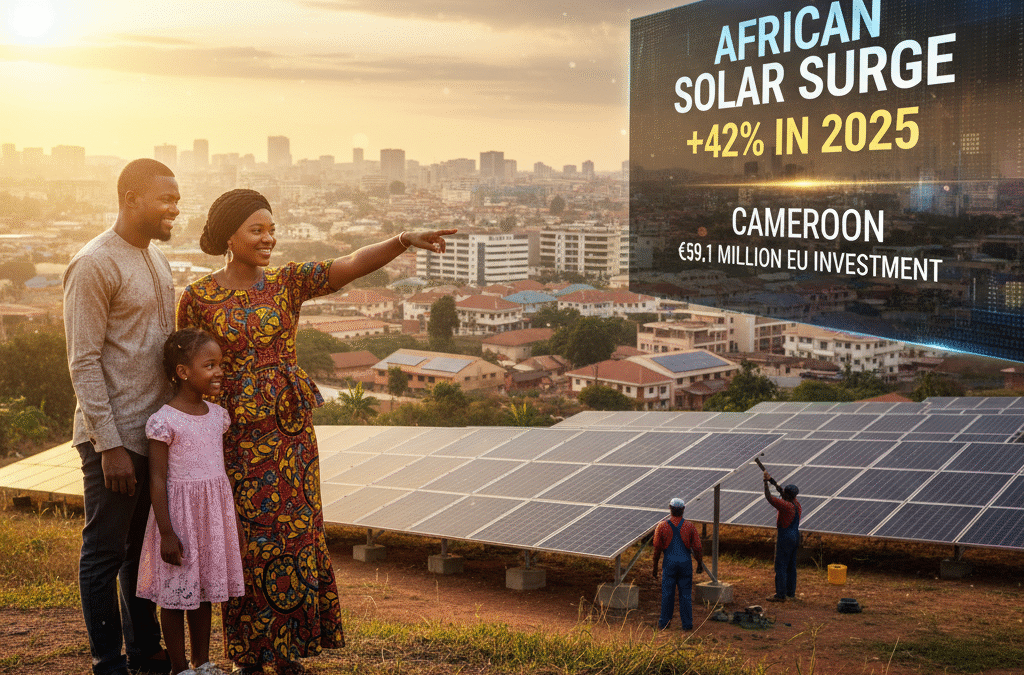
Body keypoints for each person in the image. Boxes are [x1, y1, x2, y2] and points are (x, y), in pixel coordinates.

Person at [177, 188, 456, 674]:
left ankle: (287, 652)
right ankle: (251, 654)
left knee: (295, 536)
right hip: (236, 436)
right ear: (229, 236)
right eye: (257, 230)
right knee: (250, 541)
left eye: (271, 228)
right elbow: (186, 372)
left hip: (291, 434)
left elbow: (348, 264)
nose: (269, 238)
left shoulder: (285, 283)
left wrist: (402, 240)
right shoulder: (199, 297)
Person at [63, 158, 180, 675]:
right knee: (104, 553)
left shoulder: (155, 258)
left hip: (152, 434)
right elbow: (82, 361)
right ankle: (107, 660)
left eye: (177, 199)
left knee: (139, 551)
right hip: (112, 438)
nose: (175, 208)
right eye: (165, 199)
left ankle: (145, 651)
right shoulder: (94, 263)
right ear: (130, 197)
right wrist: (108, 443)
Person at [137, 328, 246, 675]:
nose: (218, 372)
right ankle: (180, 667)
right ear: (184, 372)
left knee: (202, 593)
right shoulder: (165, 420)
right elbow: (156, 479)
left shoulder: (217, 416)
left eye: (220, 364)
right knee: (174, 596)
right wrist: (167, 533)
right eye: (209, 365)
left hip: (211, 517)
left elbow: (221, 473)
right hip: (180, 519)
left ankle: (203, 662)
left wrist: (235, 524)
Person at [651, 497, 704, 631]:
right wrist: (699, 563)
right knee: (685, 595)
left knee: (667, 594)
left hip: (669, 564)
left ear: (670, 509)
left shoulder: (662, 526)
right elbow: (697, 547)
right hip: (685, 564)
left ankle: (664, 623)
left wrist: (655, 567)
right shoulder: (690, 526)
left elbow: (657, 549)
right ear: (683, 509)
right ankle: (687, 625)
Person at [763, 471, 801, 602]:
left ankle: (780, 594)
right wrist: (771, 480)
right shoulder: (796, 504)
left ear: (787, 495)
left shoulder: (785, 506)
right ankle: (791, 593)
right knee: (791, 566)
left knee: (781, 565)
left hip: (785, 537)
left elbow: (769, 497)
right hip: (795, 535)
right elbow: (781, 491)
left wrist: (765, 483)